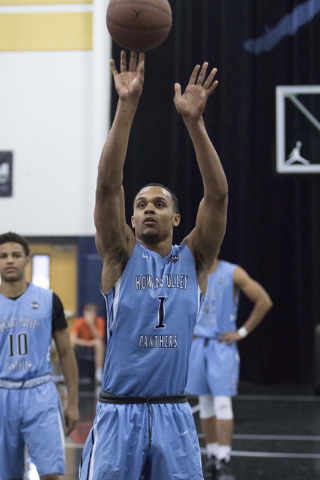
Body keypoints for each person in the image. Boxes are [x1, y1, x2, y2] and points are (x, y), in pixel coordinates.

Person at [79, 50, 228, 480]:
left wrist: (195, 124)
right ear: (130, 218)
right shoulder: (120, 255)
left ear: (176, 219)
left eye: (159, 204)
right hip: (117, 413)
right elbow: (108, 186)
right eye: (141, 204)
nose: (147, 209)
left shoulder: (194, 258)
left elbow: (216, 198)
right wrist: (126, 106)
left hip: (173, 413)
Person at [0, 231, 79, 480]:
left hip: (40, 391)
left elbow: (66, 353)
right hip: (2, 392)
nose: (9, 260)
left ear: (27, 260)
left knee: (51, 473)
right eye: (2, 256)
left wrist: (74, 403)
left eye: (15, 255)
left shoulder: (48, 300)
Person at [186, 257, 273, 479]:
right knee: (205, 404)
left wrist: (241, 332)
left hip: (221, 345)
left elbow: (264, 301)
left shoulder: (233, 272)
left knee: (223, 402)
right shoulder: (189, 272)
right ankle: (212, 456)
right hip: (197, 345)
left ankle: (224, 459)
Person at [70, 303, 105, 383]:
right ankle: (71, 372)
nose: (90, 315)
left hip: (95, 346)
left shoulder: (99, 321)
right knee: (71, 345)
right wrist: (88, 343)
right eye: (88, 312)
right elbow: (72, 339)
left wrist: (91, 324)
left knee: (99, 344)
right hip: (83, 346)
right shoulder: (79, 321)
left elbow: (99, 338)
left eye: (92, 313)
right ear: (84, 313)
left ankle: (98, 373)